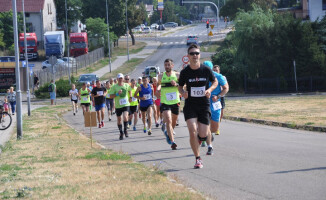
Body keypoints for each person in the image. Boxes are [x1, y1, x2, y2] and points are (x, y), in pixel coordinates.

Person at [178, 44, 217, 169]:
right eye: (192, 53)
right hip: (190, 105)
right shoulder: (185, 72)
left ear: (199, 55)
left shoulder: (205, 70)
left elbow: (215, 81)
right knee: (192, 130)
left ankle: (200, 140)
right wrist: (183, 93)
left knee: (203, 134)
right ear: (188, 56)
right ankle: (198, 158)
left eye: (197, 53)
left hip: (204, 105)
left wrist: (210, 89)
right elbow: (179, 86)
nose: (195, 55)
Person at [203, 61, 229, 155]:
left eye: (207, 69)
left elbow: (226, 88)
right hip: (204, 102)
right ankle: (207, 140)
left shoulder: (218, 76)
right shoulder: (200, 77)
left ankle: (209, 134)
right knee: (204, 123)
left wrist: (218, 96)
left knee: (215, 127)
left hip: (215, 102)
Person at [156, 58, 180, 150]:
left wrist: (176, 85)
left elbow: (183, 86)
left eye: (168, 65)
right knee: (169, 120)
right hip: (165, 101)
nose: (167, 66)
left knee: (173, 122)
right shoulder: (160, 76)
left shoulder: (177, 75)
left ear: (172, 66)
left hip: (175, 101)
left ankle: (168, 133)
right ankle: (173, 142)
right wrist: (158, 90)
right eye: (165, 65)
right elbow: (159, 84)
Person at [110, 73, 132, 140]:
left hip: (126, 104)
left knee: (125, 117)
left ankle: (125, 130)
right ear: (117, 79)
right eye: (119, 78)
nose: (120, 79)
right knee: (119, 119)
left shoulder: (126, 85)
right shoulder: (114, 87)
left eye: (121, 78)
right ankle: (121, 132)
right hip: (118, 105)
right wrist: (117, 94)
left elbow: (130, 90)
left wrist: (130, 96)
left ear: (123, 79)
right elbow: (111, 96)